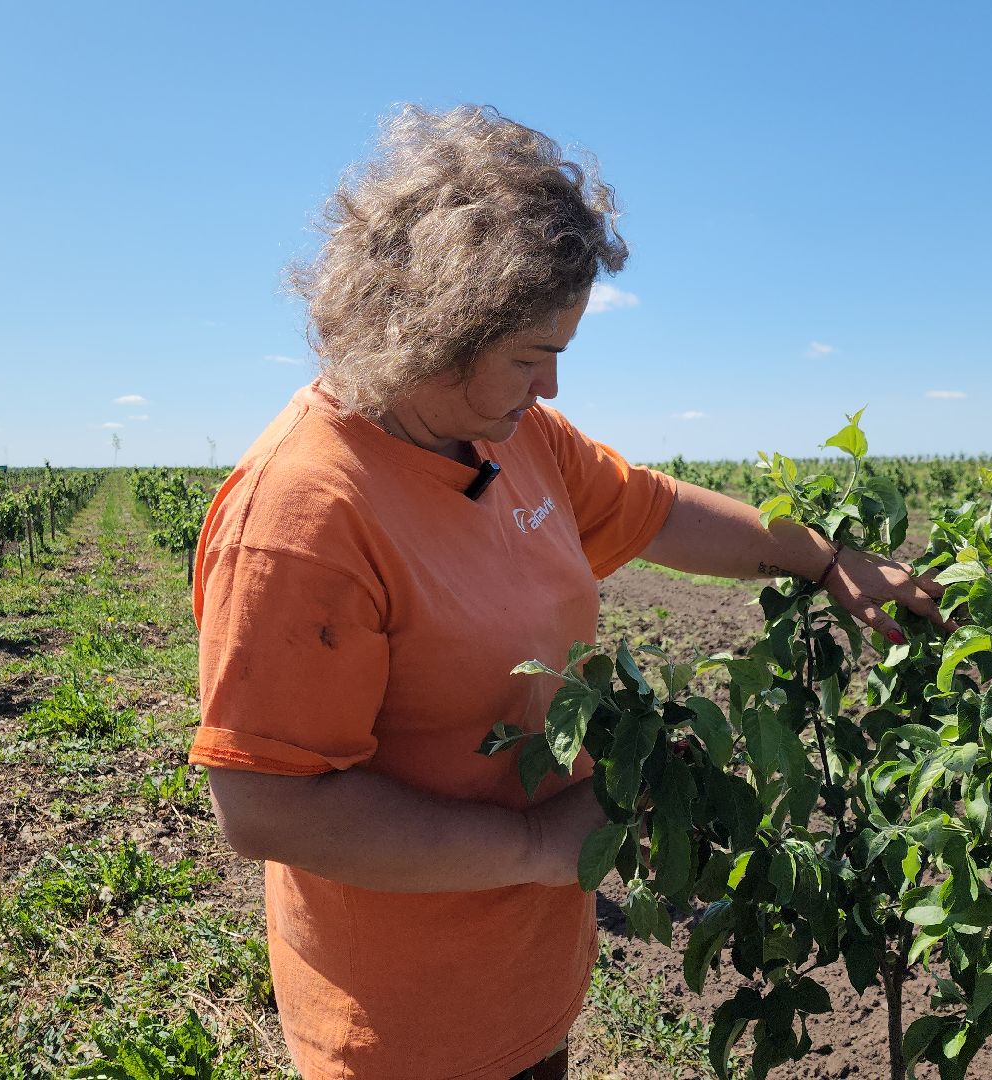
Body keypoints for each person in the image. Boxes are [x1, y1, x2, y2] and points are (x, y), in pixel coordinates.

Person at [190, 104, 949, 1080]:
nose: (550, 385)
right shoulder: (301, 520)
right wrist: (541, 845)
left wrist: (824, 558)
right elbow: (268, 808)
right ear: (432, 330)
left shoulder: (509, 438)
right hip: (406, 1026)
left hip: (528, 981)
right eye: (526, 354)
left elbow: (658, 510)